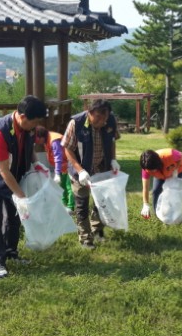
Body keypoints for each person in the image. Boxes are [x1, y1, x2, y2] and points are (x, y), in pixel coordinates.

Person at [0, 95, 47, 279]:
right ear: (23, 117)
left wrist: (36, 163)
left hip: (14, 174)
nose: (35, 126)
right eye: (34, 122)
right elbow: (2, 171)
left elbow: (29, 148)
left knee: (15, 216)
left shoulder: (27, 129)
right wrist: (21, 196)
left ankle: (11, 253)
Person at [62, 98, 120, 250]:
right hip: (80, 170)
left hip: (101, 167)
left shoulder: (110, 121)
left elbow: (113, 140)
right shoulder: (76, 123)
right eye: (98, 118)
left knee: (101, 201)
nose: (102, 121)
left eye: (105, 118)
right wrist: (80, 170)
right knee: (81, 204)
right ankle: (85, 238)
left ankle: (96, 229)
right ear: (89, 113)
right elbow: (67, 149)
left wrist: (113, 160)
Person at [34, 125, 74, 213]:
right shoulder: (47, 139)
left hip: (69, 166)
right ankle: (64, 205)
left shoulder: (54, 140)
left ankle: (71, 207)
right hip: (62, 167)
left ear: (41, 136)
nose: (37, 142)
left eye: (37, 139)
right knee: (61, 186)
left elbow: (58, 157)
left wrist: (57, 173)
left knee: (69, 187)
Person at [139, 149, 182, 219]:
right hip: (160, 175)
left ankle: (174, 215)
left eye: (153, 169)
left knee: (174, 192)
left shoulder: (170, 155)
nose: (152, 171)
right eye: (150, 170)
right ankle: (158, 215)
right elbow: (145, 188)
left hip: (177, 171)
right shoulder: (146, 168)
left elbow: (181, 155)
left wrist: (176, 170)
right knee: (156, 191)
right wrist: (145, 204)